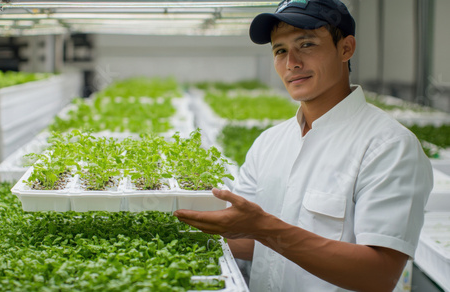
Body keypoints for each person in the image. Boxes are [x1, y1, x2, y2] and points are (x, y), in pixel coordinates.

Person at [174, 0, 434, 291]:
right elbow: (249, 239)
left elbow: (379, 274)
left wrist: (264, 227)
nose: (291, 63)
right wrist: (174, 232)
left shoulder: (388, 146)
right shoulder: (270, 143)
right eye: (280, 50)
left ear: (346, 48)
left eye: (307, 44)